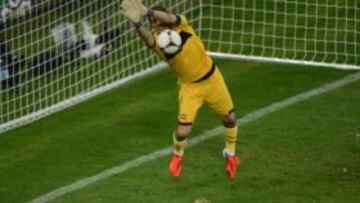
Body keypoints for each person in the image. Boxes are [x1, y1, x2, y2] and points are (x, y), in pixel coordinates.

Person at [121, 0, 240, 180]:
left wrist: (147, 12)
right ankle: (178, 156)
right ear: (155, 24)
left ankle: (230, 154)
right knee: (183, 131)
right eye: (157, 20)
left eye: (158, 18)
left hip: (212, 78)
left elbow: (169, 17)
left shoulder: (182, 24)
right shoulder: (160, 43)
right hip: (190, 88)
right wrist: (137, 24)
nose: (160, 21)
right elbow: (147, 39)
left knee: (230, 118)